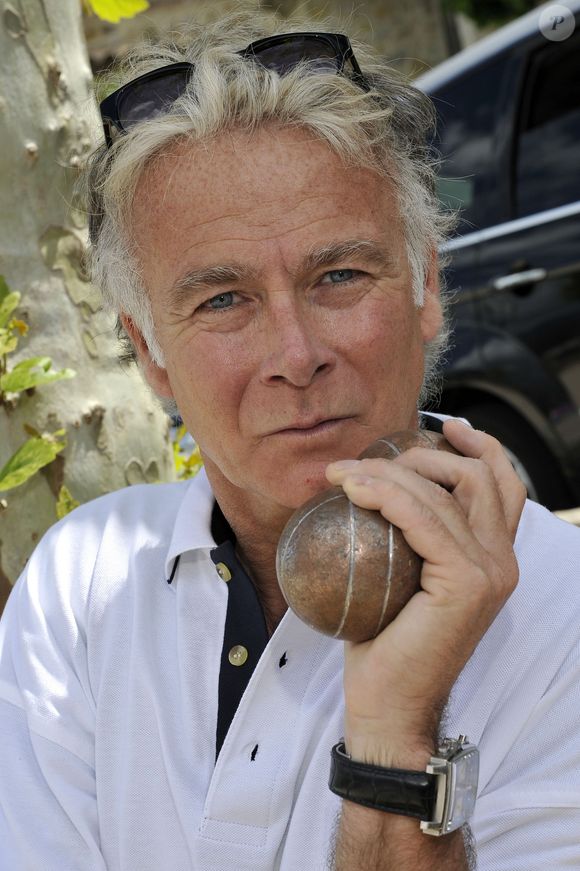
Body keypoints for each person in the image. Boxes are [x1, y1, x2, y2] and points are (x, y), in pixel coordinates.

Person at [1, 11, 579, 871]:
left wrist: (394, 737)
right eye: (222, 300)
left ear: (426, 286)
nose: (296, 355)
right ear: (151, 353)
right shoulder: (82, 582)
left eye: (339, 275)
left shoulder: (561, 615)